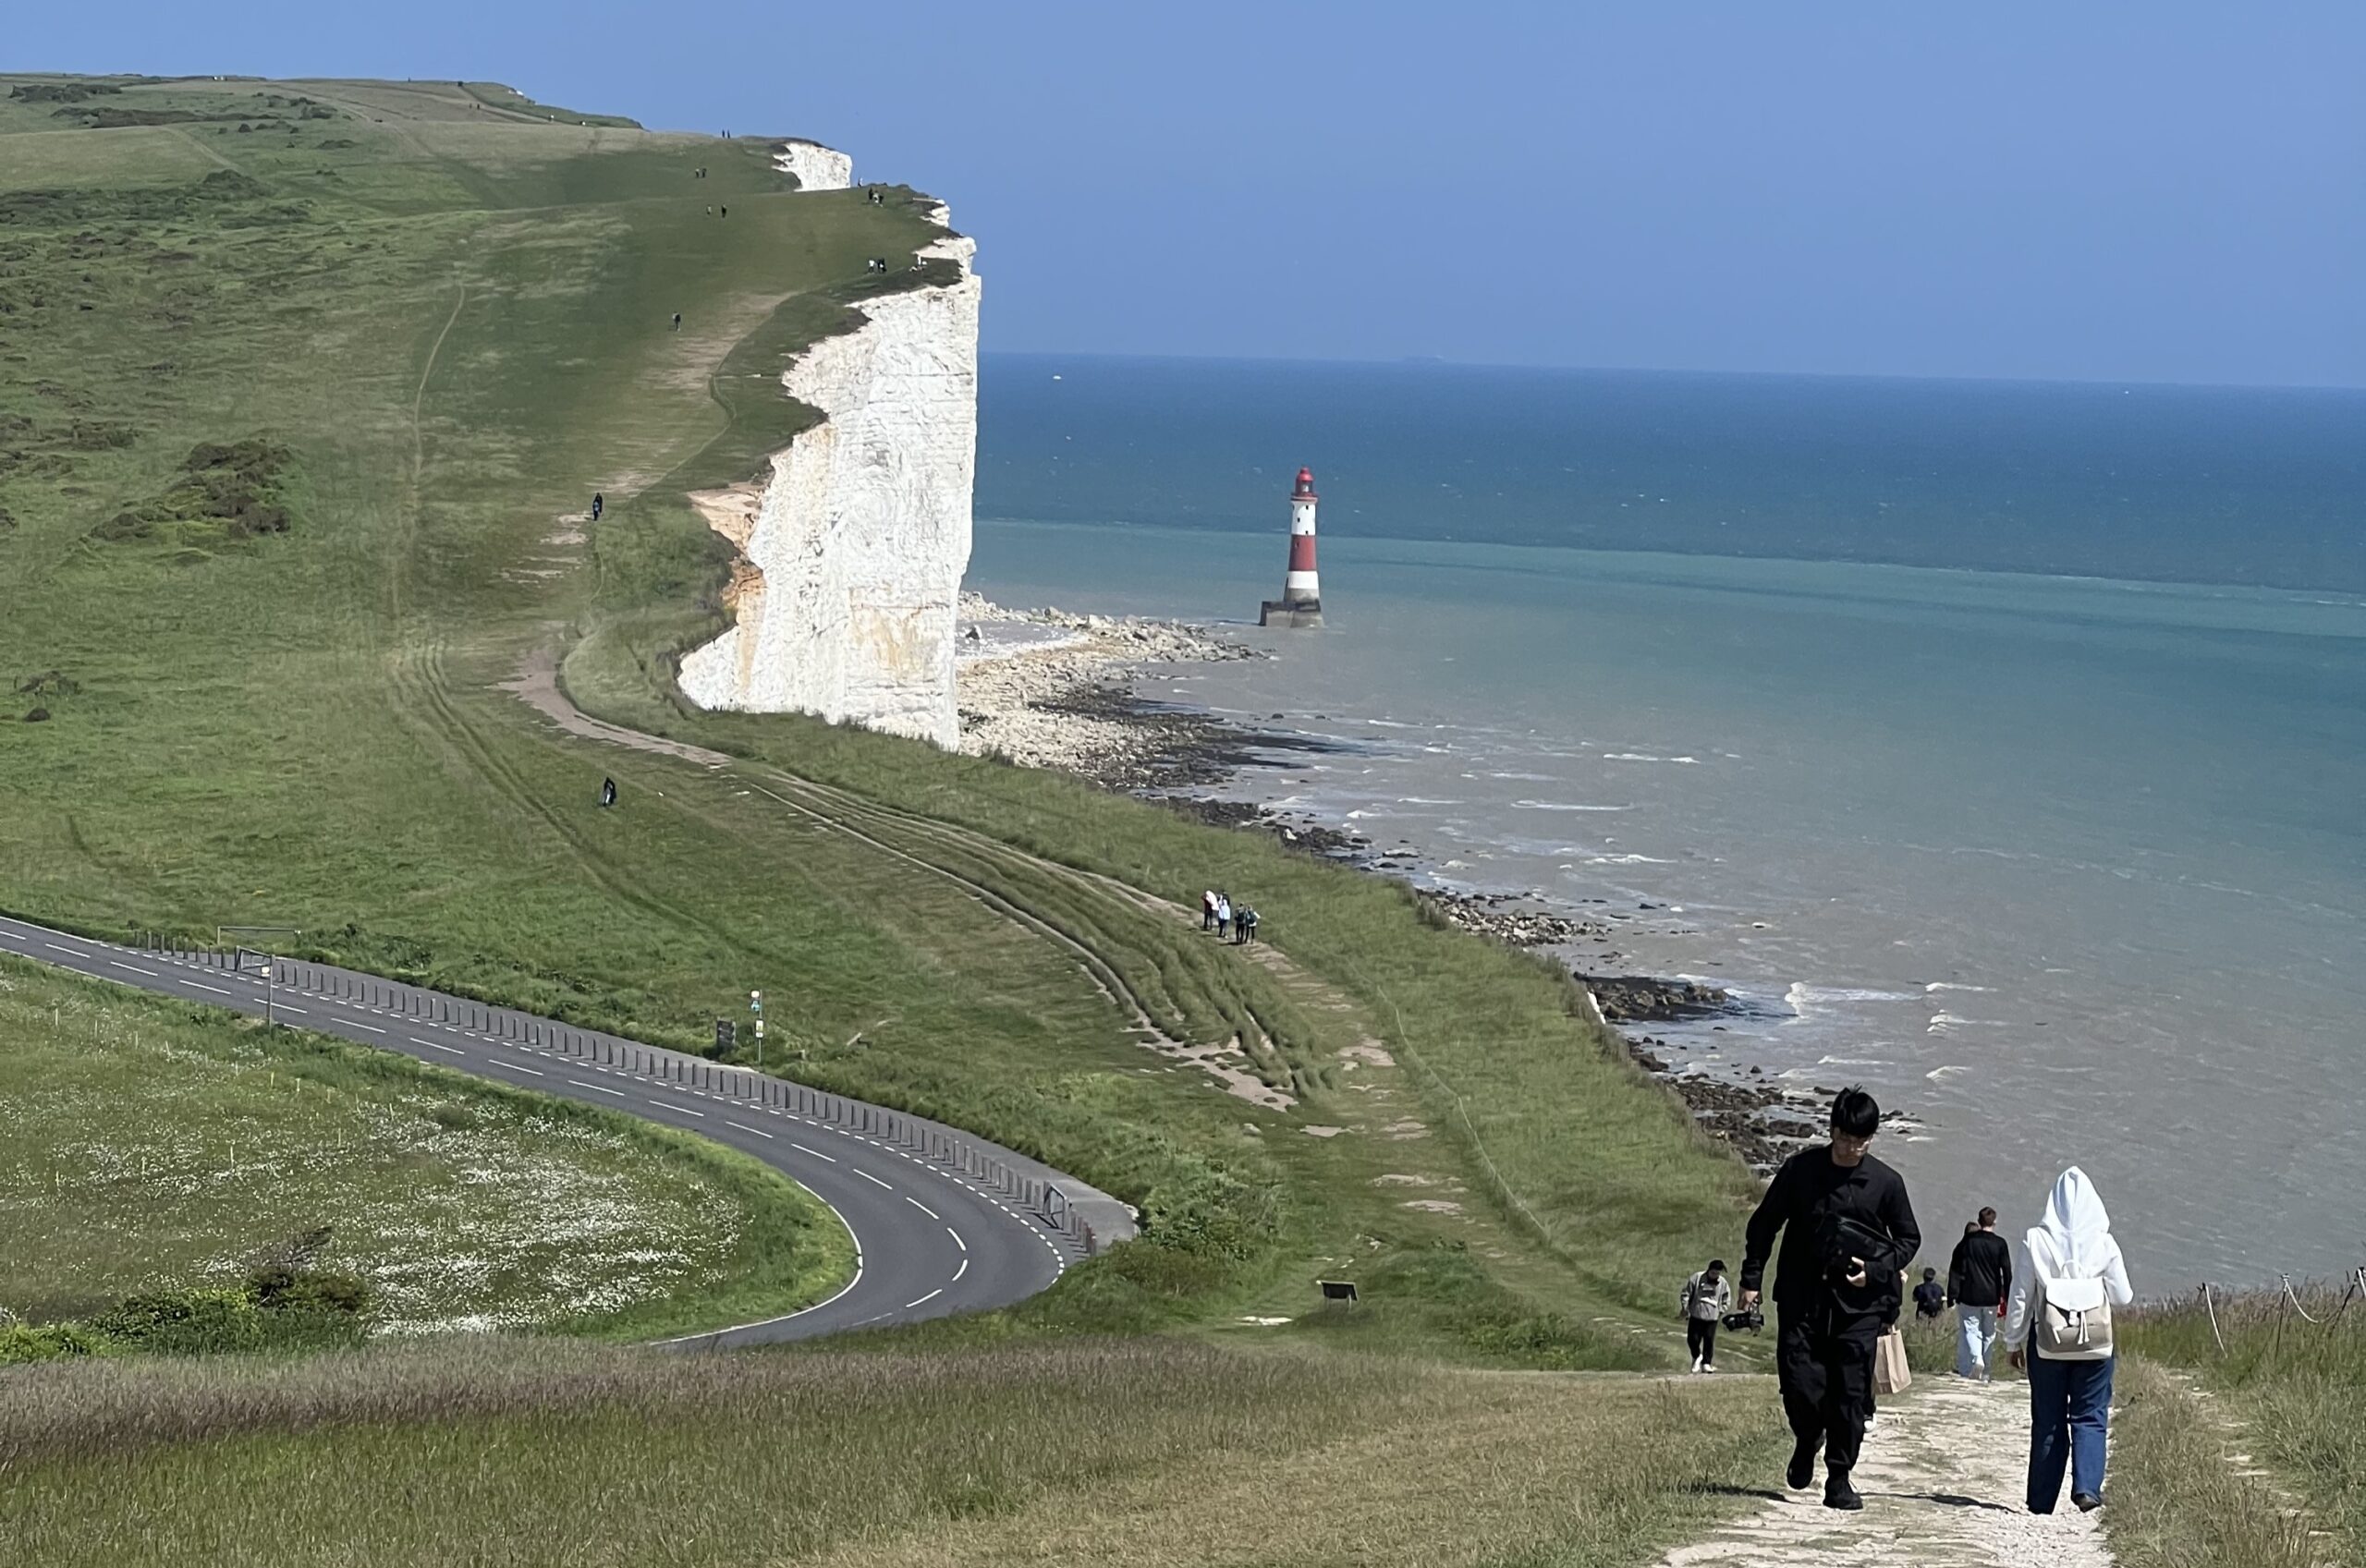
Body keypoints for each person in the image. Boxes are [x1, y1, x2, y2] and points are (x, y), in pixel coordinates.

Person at [1740, 1086, 1920, 1513]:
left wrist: (1874, 1272)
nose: (1852, 1148)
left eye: (1861, 1141)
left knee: (1848, 1394)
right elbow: (1765, 1224)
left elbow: (1909, 1239)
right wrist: (1751, 1279)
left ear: (1872, 1138)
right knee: (1799, 1384)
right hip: (1801, 1298)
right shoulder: (1800, 1171)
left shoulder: (1886, 1183)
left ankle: (1839, 1477)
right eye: (1845, 1138)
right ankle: (1807, 1438)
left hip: (1859, 1308)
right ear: (1832, 1130)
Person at [2005, 1168, 2133, 1515]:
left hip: (2048, 1342)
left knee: (2048, 1419)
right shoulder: (2104, 1243)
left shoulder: (2035, 1239)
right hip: (2095, 1343)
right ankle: (2087, 1487)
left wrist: (2013, 1341)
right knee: (2090, 1414)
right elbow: (2122, 1296)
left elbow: (2021, 1296)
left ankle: (2041, 1501)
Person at [1949, 1206, 2014, 1380]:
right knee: (1989, 1332)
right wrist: (2008, 1296)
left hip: (1969, 1295)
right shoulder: (2000, 1244)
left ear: (1979, 1221)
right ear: (1995, 1222)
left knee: (1971, 1329)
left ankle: (1976, 1359)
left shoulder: (1967, 1242)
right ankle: (1985, 1371)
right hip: (1992, 1296)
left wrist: (1952, 1295)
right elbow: (2007, 1271)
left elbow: (1955, 1269)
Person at [1681, 1260, 1731, 1372]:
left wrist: (1721, 1311)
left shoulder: (1723, 1283)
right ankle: (1697, 1356)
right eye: (1713, 1273)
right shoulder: (1697, 1278)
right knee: (1692, 1339)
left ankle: (1706, 1363)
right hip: (1696, 1315)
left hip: (1712, 1318)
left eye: (1717, 1274)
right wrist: (1685, 1307)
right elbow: (1686, 1293)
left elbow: (1726, 1299)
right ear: (1709, 1270)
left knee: (1709, 1340)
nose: (1715, 1276)